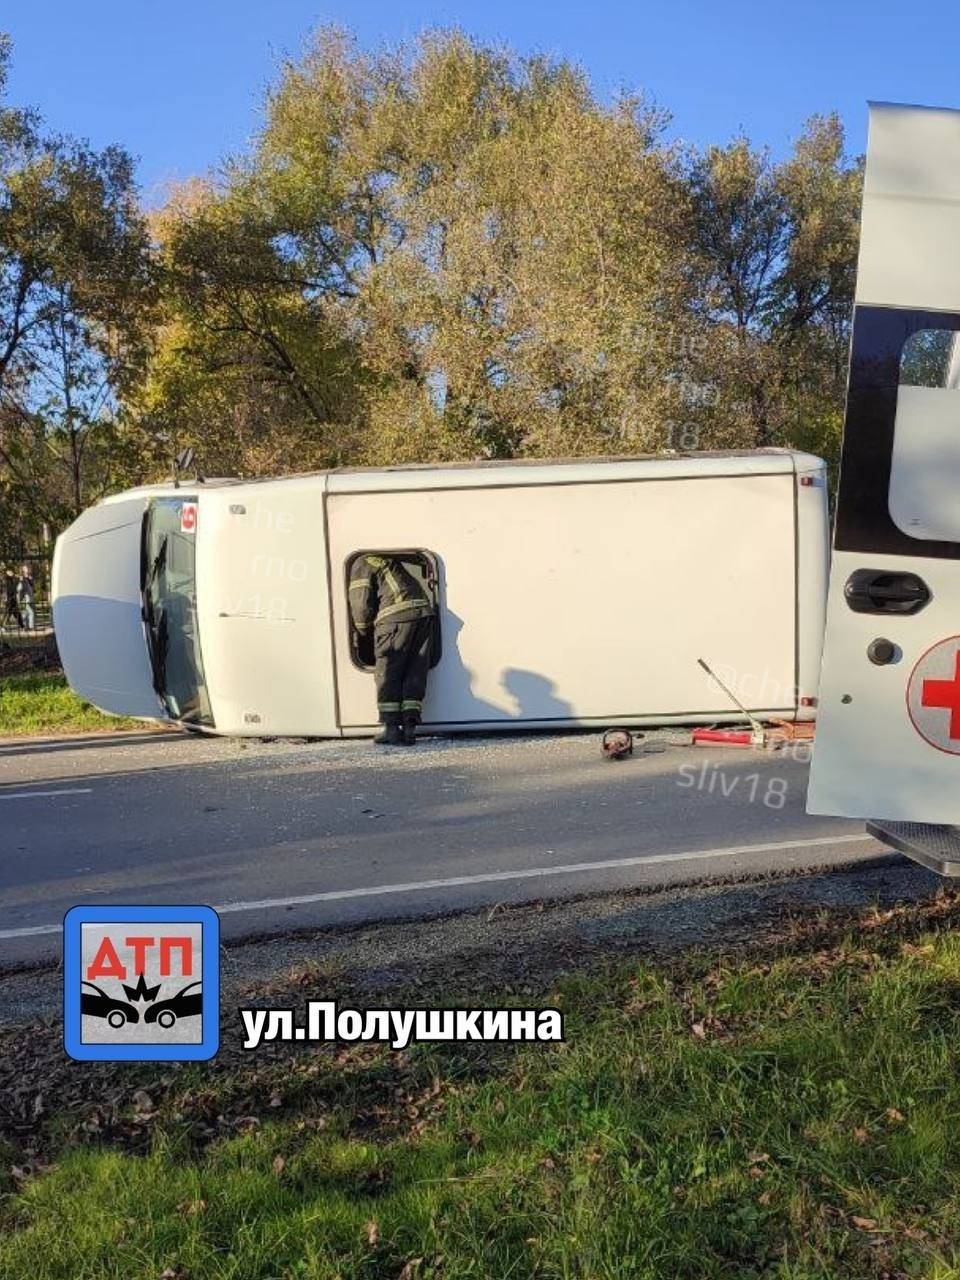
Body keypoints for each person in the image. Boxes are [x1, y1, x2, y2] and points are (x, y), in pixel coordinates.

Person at [348, 553, 436, 745]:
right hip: (423, 613)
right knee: (415, 670)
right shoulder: (386, 561)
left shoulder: (361, 563)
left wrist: (363, 631)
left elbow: (361, 605)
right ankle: (410, 727)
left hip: (395, 616)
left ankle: (391, 729)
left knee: (388, 671)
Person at [17, 563, 35, 631]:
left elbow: (32, 587)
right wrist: (21, 581)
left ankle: (24, 626)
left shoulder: (30, 577)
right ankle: (31, 627)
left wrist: (30, 580)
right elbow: (19, 588)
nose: (26, 569)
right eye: (24, 568)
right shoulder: (21, 577)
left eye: (27, 568)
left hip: (30, 597)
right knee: (31, 612)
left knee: (26, 613)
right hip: (25, 597)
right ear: (22, 569)